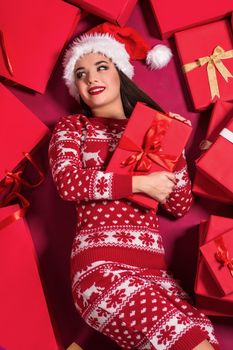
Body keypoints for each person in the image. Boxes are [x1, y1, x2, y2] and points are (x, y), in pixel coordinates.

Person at [49, 22, 219, 350]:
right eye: (80, 74)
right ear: (76, 87)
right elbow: (69, 183)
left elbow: (179, 205)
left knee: (204, 335)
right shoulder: (73, 127)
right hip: (101, 269)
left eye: (101, 67)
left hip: (155, 274)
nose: (91, 78)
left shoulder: (155, 128)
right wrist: (140, 182)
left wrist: (176, 150)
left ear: (120, 72)